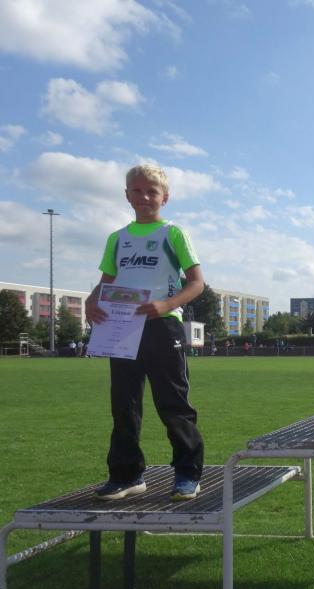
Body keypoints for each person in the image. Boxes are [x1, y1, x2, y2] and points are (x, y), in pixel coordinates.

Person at [85, 164, 205, 502]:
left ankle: (188, 474)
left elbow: (197, 283)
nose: (144, 197)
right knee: (124, 404)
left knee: (172, 403)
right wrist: (91, 301)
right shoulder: (117, 238)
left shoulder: (173, 233)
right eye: (137, 191)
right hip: (123, 327)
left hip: (163, 326)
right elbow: (106, 282)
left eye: (152, 191)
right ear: (127, 196)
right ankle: (126, 475)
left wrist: (167, 304)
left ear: (165, 197)